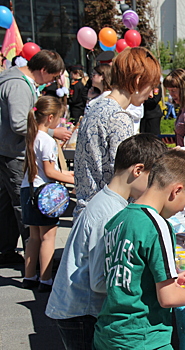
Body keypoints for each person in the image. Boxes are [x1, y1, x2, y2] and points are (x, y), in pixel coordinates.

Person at [46, 134, 167, 350]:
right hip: (82, 312)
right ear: (138, 170)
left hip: (80, 309)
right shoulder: (110, 214)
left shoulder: (109, 203)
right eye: (154, 178)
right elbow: (100, 281)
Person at [93, 148, 185, 349]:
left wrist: (170, 278)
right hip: (143, 338)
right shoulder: (157, 225)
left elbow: (128, 274)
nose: (182, 208)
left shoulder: (119, 218)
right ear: (176, 190)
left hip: (110, 334)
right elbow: (168, 297)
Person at [0, 49, 71, 265]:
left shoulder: (18, 81)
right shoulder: (19, 85)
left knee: (7, 205)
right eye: (52, 76)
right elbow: (20, 123)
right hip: (13, 152)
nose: (51, 82)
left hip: (8, 149)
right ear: (43, 70)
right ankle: (37, 260)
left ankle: (7, 249)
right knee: (24, 204)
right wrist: (51, 132)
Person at [74, 47, 161, 219]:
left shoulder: (95, 106)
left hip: (87, 211)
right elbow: (127, 178)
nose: (151, 94)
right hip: (107, 216)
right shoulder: (119, 118)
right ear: (137, 80)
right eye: (151, 87)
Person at [20, 96, 75, 292]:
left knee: (33, 237)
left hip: (29, 189)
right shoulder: (47, 140)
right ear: (50, 117)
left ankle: (29, 276)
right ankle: (45, 278)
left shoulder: (32, 136)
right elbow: (50, 172)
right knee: (48, 238)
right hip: (45, 194)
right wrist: (73, 179)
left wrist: (64, 174)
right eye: (59, 118)